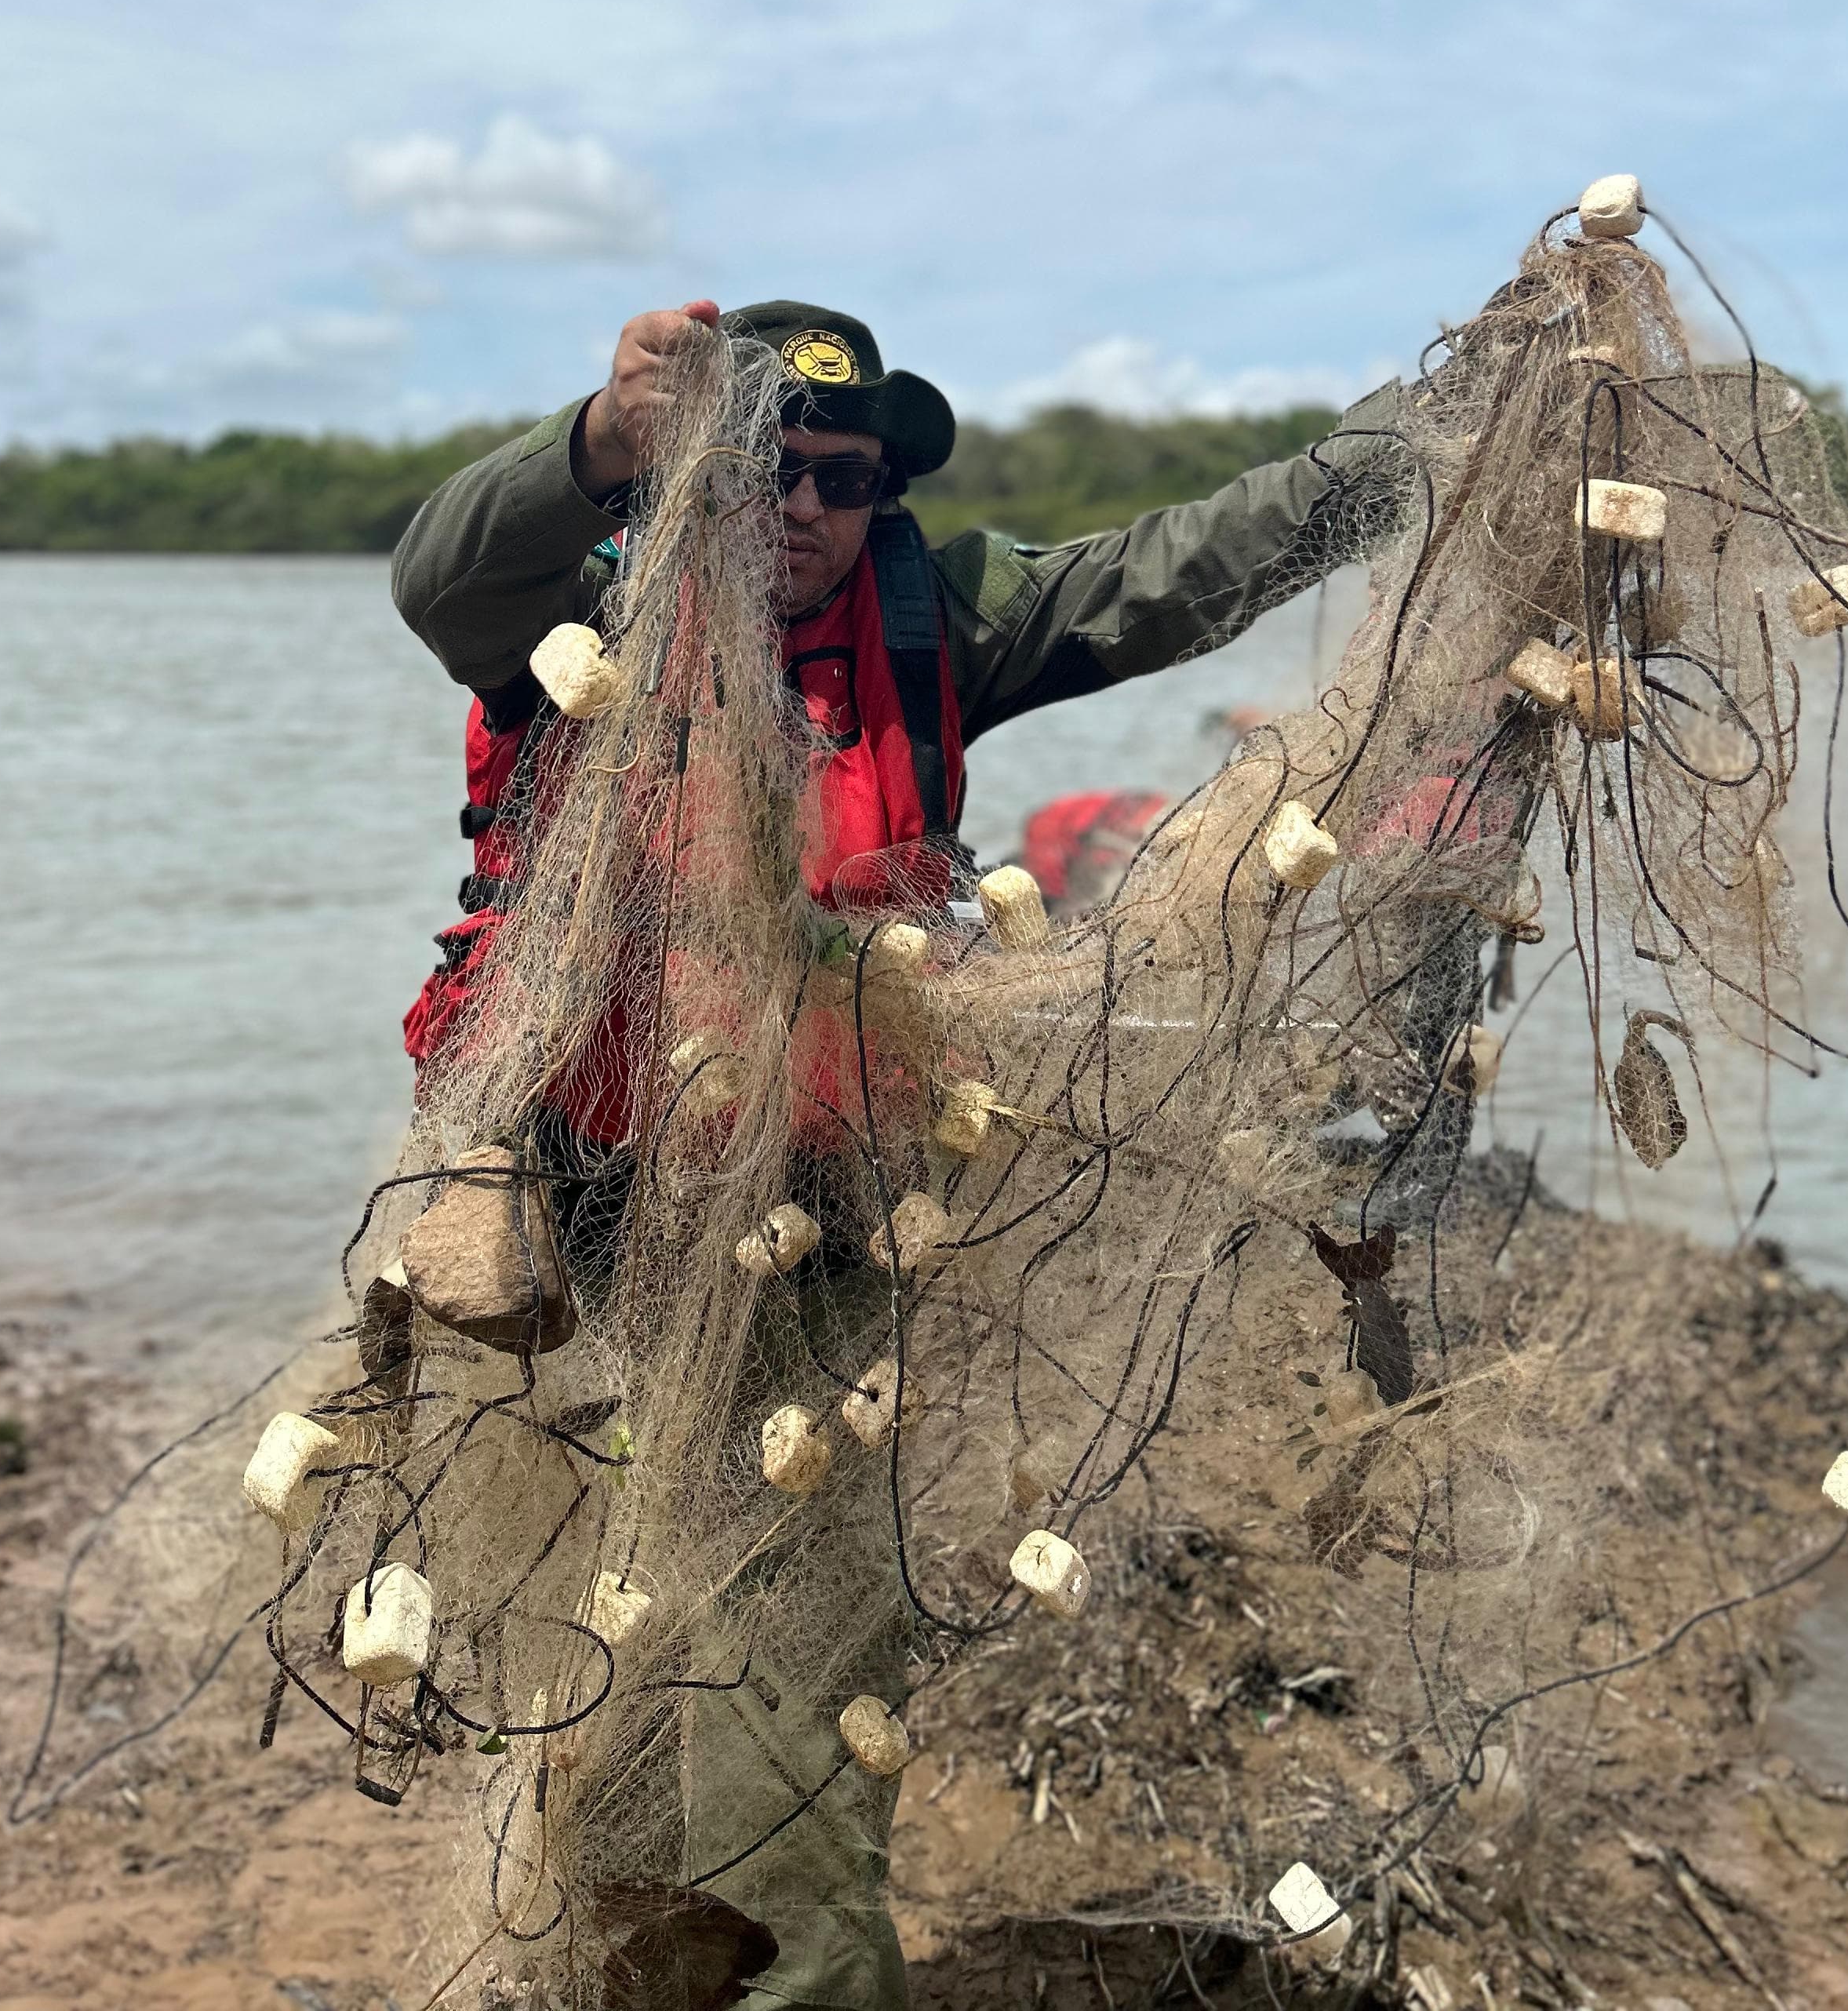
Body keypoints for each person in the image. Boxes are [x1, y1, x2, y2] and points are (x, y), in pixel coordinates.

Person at [388, 298, 1402, 2009]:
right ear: (680, 474)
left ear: (881, 496)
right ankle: (685, 1966)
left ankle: (724, 1970)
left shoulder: (935, 611)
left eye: (842, 480)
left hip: (820, 1199)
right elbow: (437, 582)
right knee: (660, 1602)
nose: (800, 507)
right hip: (588, 1180)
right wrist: (599, 439)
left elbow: (1173, 570)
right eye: (757, 469)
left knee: (785, 1611)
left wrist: (1414, 451)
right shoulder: (574, 594)